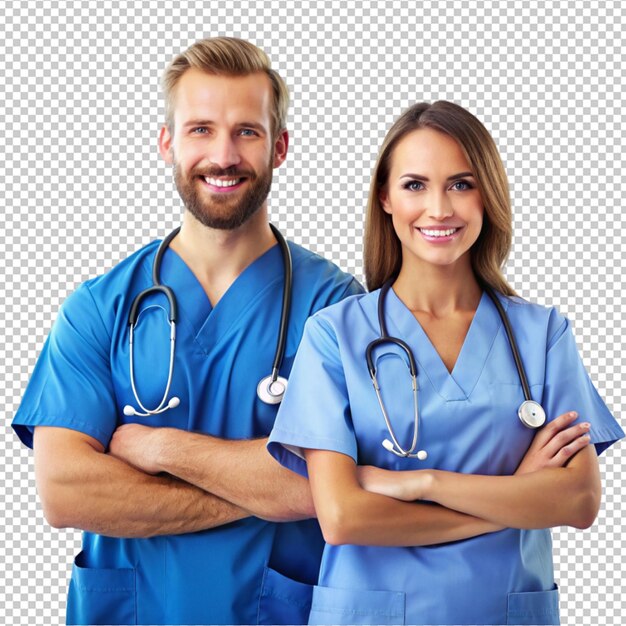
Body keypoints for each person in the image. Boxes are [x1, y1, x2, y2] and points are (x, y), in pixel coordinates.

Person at [11, 37, 364, 625]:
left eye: (246, 132)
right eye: (200, 129)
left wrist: (157, 448)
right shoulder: (100, 307)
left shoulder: (334, 306)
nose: (223, 155)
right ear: (166, 142)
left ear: (279, 147)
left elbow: (332, 489)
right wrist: (261, 487)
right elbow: (66, 492)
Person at [267, 101, 624, 625]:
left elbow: (577, 500)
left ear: (488, 195)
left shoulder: (543, 334)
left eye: (461, 183)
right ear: (384, 198)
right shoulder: (335, 336)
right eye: (415, 185)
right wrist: (514, 495)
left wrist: (423, 483)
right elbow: (342, 517)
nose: (439, 208)